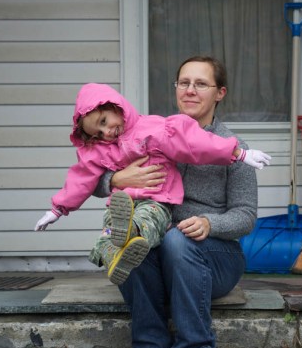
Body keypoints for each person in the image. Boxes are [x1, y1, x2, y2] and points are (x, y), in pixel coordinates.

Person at [92, 56, 259, 348]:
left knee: (173, 239)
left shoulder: (233, 148)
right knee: (133, 243)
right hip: (163, 248)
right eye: (184, 83)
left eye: (201, 84)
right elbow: (92, 176)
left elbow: (246, 216)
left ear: (219, 93)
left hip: (215, 257)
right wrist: (117, 179)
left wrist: (210, 224)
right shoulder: (151, 132)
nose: (190, 90)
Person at [34, 83, 271, 286]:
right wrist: (58, 209)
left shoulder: (153, 129)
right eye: (99, 131)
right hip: (122, 203)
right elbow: (82, 178)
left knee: (146, 221)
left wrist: (237, 153)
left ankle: (130, 232)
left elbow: (194, 143)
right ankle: (115, 251)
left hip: (155, 202)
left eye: (105, 120)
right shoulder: (101, 150)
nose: (106, 132)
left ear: (116, 105)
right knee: (108, 231)